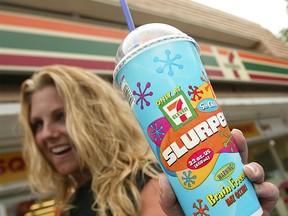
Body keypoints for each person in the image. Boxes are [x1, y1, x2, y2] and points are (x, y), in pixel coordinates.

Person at [19, 65, 279, 216]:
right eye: (37, 124)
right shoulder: (70, 203)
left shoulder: (145, 184)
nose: (46, 133)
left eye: (61, 116)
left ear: (96, 116)